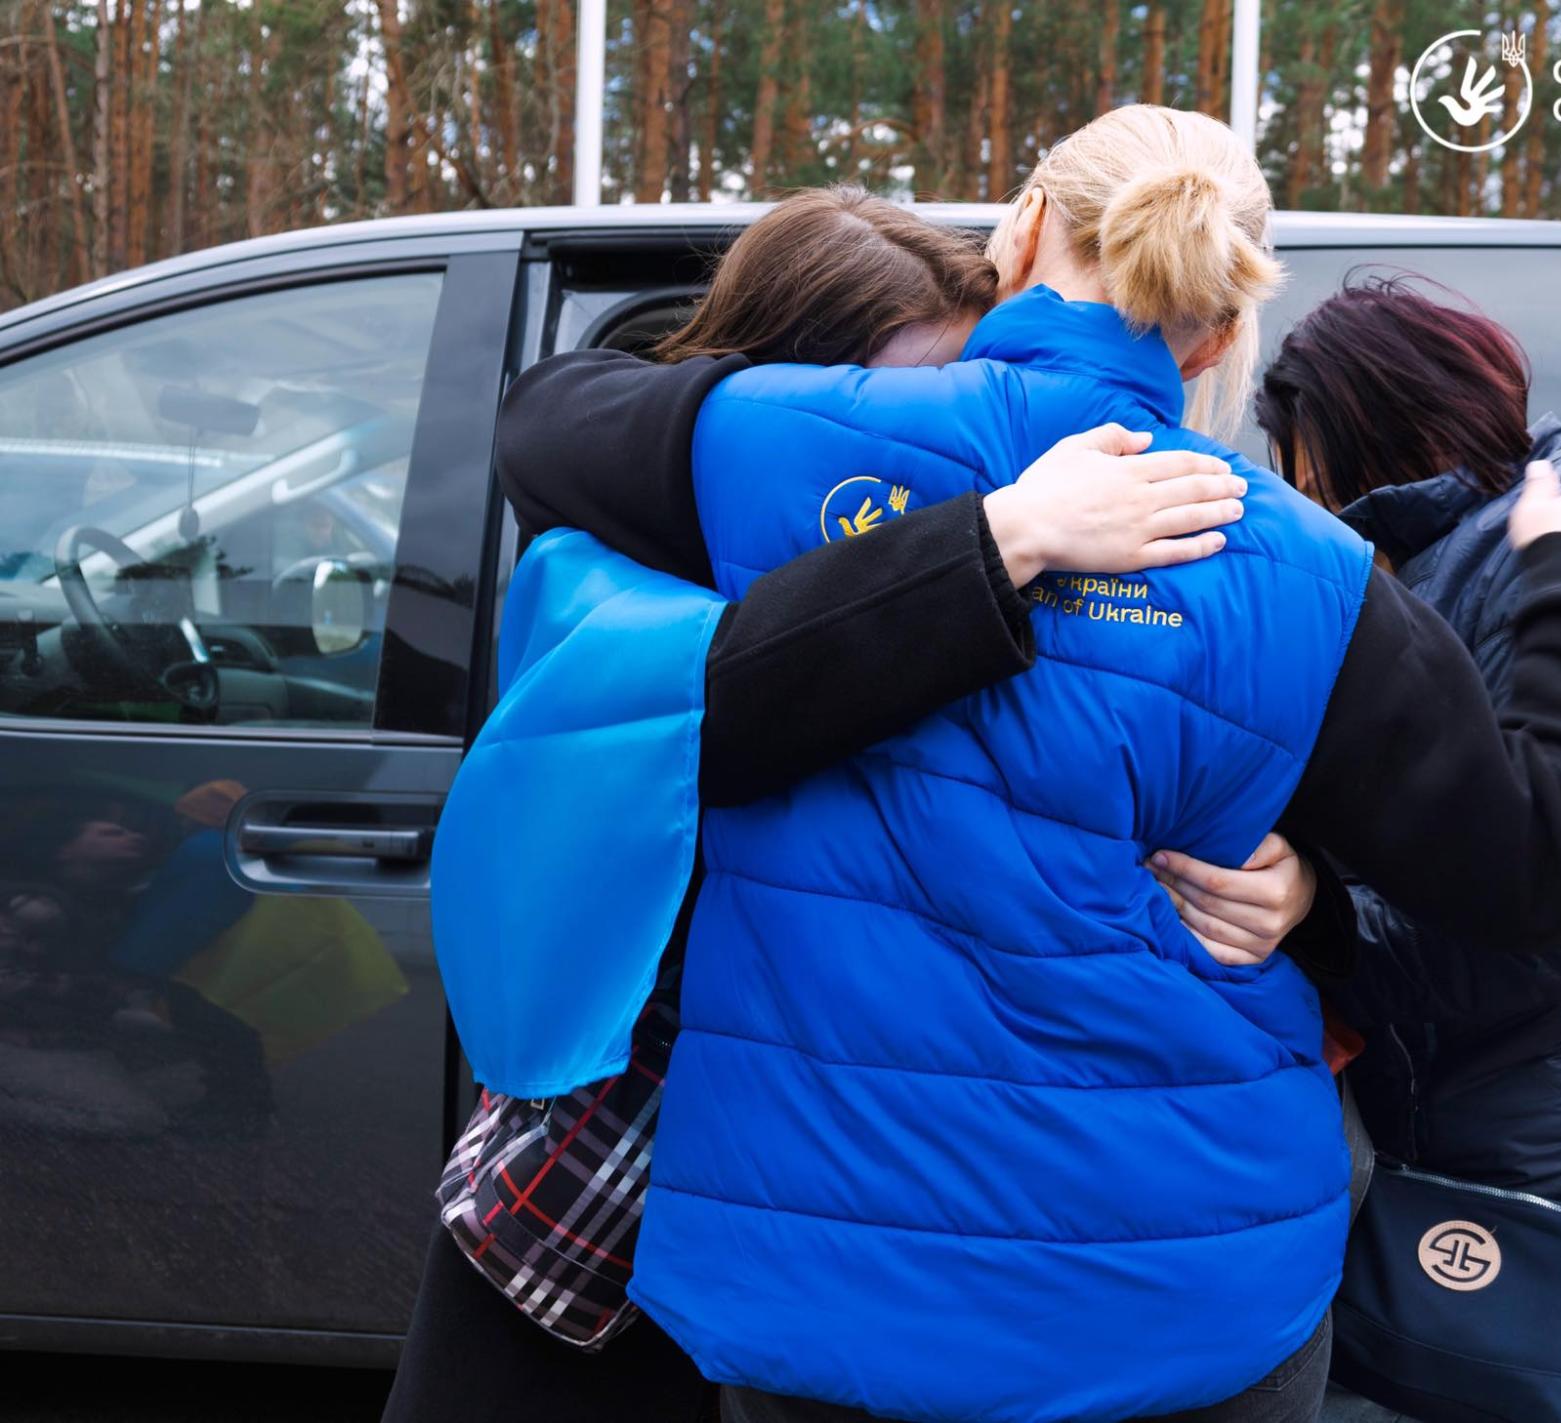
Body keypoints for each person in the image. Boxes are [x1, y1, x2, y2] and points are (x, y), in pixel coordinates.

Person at [499, 108, 1561, 1423]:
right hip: (1192, 1293)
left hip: (826, 1284)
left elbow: (544, 428)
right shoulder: (1306, 570)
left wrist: (975, 524)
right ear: (1219, 333)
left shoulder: (790, 438)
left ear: (1019, 232)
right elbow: (1543, 866)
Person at [383, 187, 1256, 1423]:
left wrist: (1290, 875)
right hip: (616, 1165)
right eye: (898, 410)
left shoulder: (1048, 577)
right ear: (787, 402)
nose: (934, 453)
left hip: (842, 1202)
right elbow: (749, 692)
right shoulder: (639, 574)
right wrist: (996, 535)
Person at [1147, 273, 1561, 1420]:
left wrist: (1327, 923)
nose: (1293, 489)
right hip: (1451, 1119)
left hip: (1537, 1152)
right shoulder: (1446, 555)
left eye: (1294, 455)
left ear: (1348, 432)